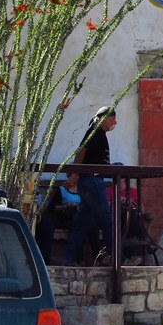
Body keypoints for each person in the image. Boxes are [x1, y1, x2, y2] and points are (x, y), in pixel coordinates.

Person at [62, 106, 116, 266]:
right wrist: (75, 174)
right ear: (104, 119)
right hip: (92, 180)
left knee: (83, 222)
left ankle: (68, 257)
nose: (115, 122)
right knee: (106, 218)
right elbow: (81, 151)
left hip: (90, 180)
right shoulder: (95, 131)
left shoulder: (98, 133)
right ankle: (116, 257)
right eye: (113, 119)